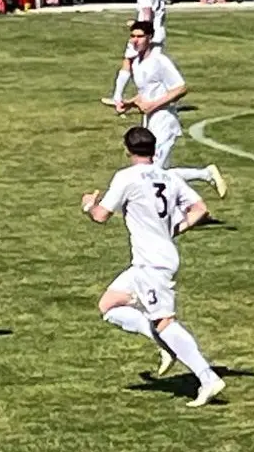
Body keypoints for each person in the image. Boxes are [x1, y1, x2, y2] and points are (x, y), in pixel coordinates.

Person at [81, 126, 226, 408]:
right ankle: (162, 342)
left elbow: (100, 216)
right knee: (108, 305)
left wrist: (89, 204)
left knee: (165, 321)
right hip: (152, 259)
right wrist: (175, 228)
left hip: (152, 263)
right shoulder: (168, 176)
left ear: (127, 149)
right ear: (154, 149)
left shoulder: (126, 177)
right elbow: (200, 208)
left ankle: (207, 378)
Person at [116, 21, 226, 197]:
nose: (135, 40)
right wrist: (129, 103)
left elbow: (180, 88)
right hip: (149, 122)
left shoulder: (160, 61)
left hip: (164, 121)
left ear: (150, 38)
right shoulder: (137, 63)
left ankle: (204, 176)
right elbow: (146, 93)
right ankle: (196, 186)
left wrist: (153, 105)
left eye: (140, 36)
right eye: (133, 36)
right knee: (157, 172)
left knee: (154, 172)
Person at [102, 0, 164, 108]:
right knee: (153, 66)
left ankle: (118, 98)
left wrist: (141, 28)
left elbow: (147, 11)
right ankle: (157, 98)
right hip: (159, 31)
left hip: (145, 33)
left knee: (129, 61)